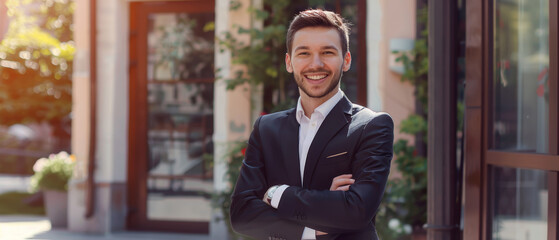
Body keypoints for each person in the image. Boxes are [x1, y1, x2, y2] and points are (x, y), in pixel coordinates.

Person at [230, 9, 394, 240]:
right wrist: (317, 221)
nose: (315, 64)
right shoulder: (267, 128)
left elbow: (356, 211)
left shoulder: (372, 126)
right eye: (304, 53)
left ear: (346, 60)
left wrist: (278, 193)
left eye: (327, 52)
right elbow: (242, 215)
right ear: (289, 62)